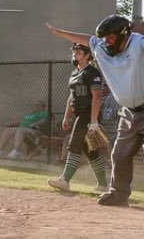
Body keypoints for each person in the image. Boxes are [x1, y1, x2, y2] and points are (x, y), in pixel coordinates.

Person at [46, 14, 144, 216]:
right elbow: (86, 38)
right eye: (104, 37)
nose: (106, 41)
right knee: (119, 153)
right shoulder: (101, 47)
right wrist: (59, 32)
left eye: (111, 38)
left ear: (123, 34)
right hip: (127, 111)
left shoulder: (137, 44)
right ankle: (118, 194)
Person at [47, 44, 110, 194]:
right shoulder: (75, 72)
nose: (75, 54)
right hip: (79, 115)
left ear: (87, 55)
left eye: (79, 52)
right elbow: (71, 97)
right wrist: (66, 117)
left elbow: (97, 97)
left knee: (74, 144)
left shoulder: (92, 72)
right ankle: (103, 185)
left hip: (88, 114)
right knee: (89, 151)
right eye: (74, 52)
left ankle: (65, 180)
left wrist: (94, 121)